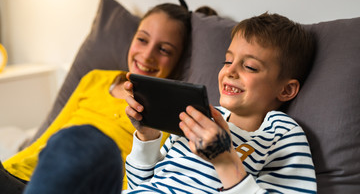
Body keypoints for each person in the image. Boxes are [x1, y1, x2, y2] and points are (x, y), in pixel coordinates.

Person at [23, 12, 317, 194]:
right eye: (228, 60)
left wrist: (225, 160)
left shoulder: (281, 133)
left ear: (287, 90)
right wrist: (147, 135)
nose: (230, 70)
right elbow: (141, 184)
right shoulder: (199, 117)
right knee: (82, 142)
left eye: (250, 67)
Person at [1, 2, 192, 193]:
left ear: (179, 60)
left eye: (164, 50)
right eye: (142, 40)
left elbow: (150, 180)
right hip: (21, 174)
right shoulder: (95, 79)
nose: (147, 54)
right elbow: (48, 137)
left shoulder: (171, 111)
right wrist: (9, 167)